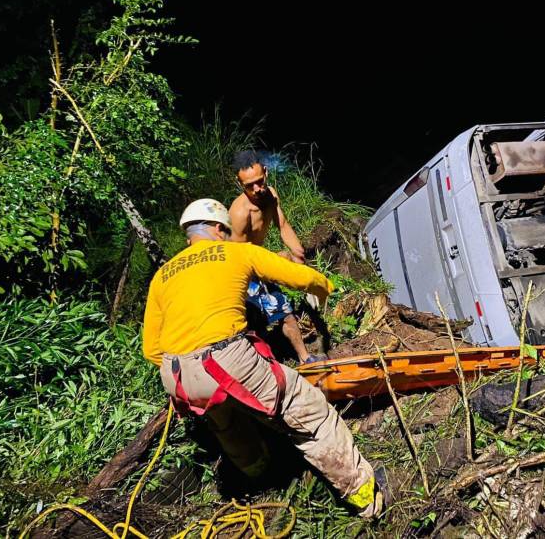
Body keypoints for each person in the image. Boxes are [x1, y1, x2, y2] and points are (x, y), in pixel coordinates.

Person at [142, 198, 383, 518]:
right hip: (226, 358)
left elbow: (150, 350)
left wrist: (190, 369)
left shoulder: (163, 276)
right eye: (224, 231)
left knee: (227, 423)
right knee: (312, 417)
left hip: (177, 375)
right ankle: (366, 497)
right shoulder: (235, 252)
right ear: (216, 229)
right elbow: (295, 276)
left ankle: (261, 475)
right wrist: (324, 285)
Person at [228, 150, 324, 363]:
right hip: (243, 273)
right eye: (249, 186)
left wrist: (300, 258)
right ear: (239, 184)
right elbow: (238, 257)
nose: (257, 189)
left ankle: (305, 358)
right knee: (254, 326)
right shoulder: (240, 214)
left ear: (266, 172)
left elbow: (283, 225)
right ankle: (265, 369)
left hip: (260, 265)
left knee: (286, 314)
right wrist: (277, 262)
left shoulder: (270, 195)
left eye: (259, 182)